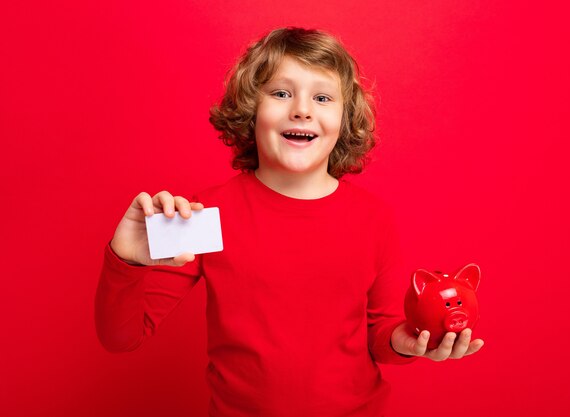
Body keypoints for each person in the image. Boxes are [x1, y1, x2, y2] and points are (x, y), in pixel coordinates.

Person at [95, 27, 484, 417]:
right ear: (251, 109)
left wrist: (407, 339)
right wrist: (125, 262)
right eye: (281, 93)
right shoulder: (205, 214)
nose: (302, 109)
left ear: (344, 119)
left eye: (322, 97)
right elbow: (121, 338)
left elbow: (379, 336)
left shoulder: (373, 218)